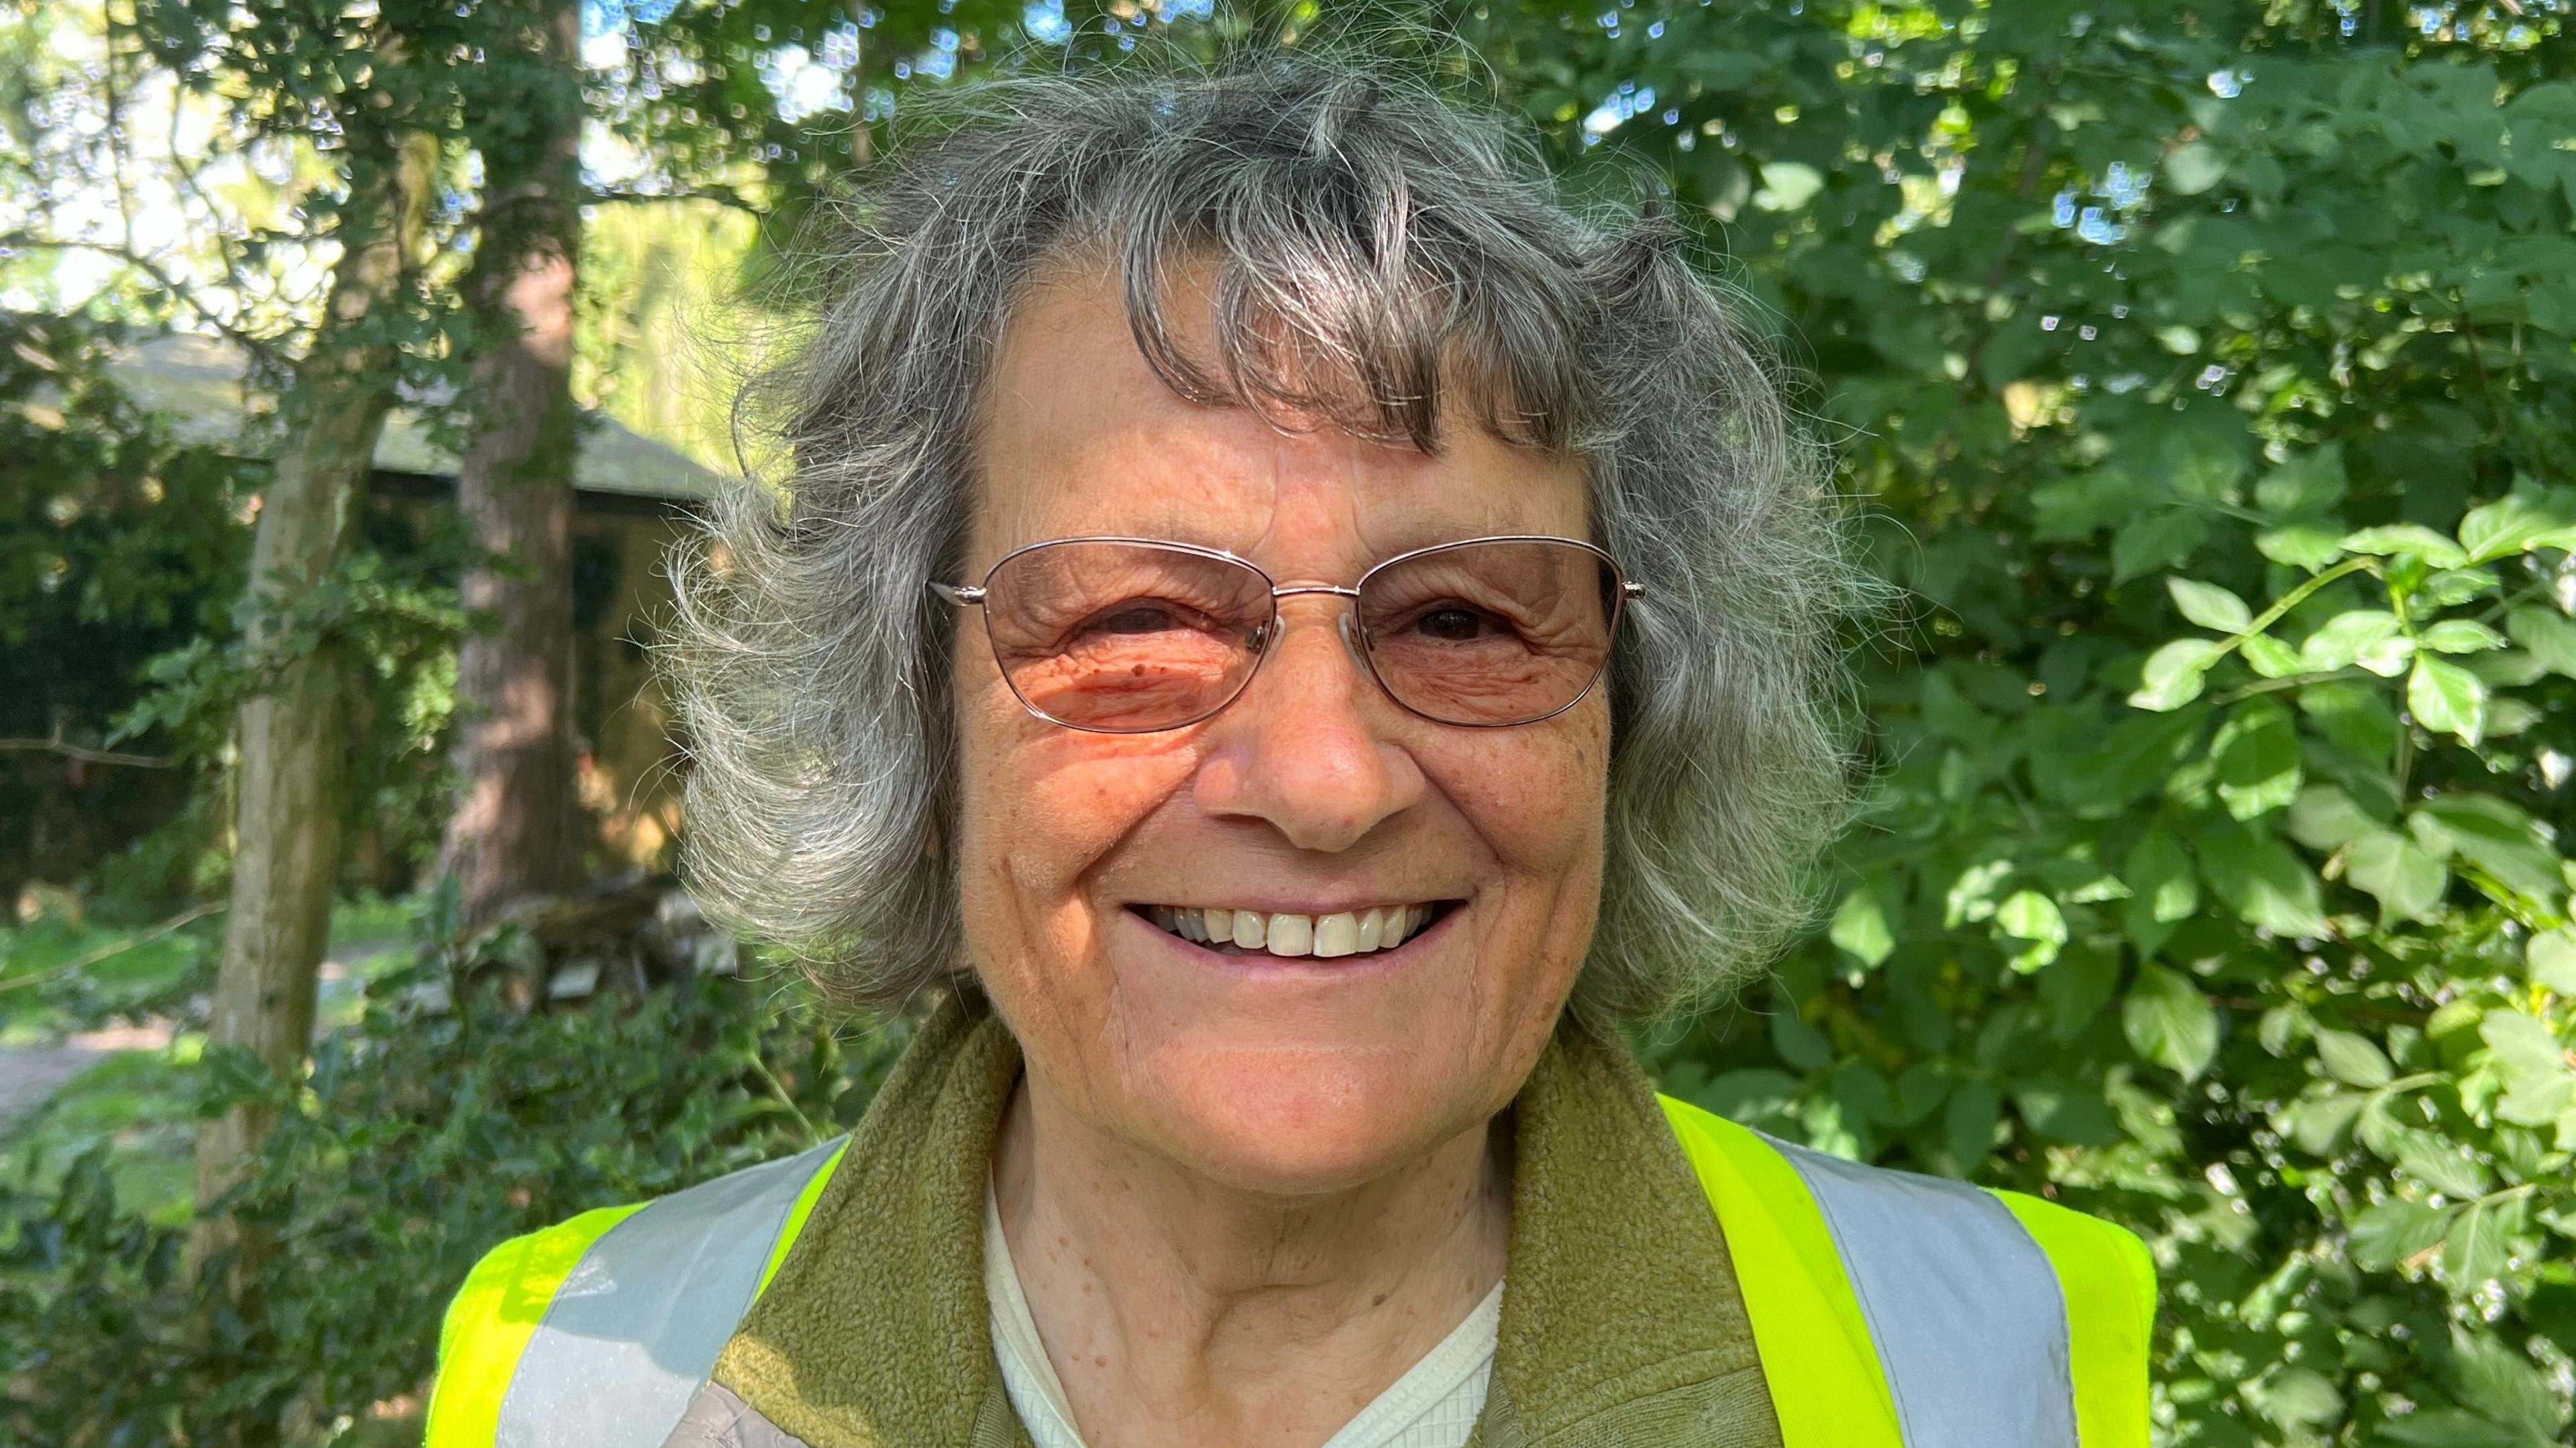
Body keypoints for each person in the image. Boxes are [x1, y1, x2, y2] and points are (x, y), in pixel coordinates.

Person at [424, 52, 2153, 1448]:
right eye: (1133, 627)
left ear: (1633, 715)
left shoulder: (1990, 1372)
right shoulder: (579, 1385)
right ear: (909, 716)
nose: (1327, 781)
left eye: (1466, 622)